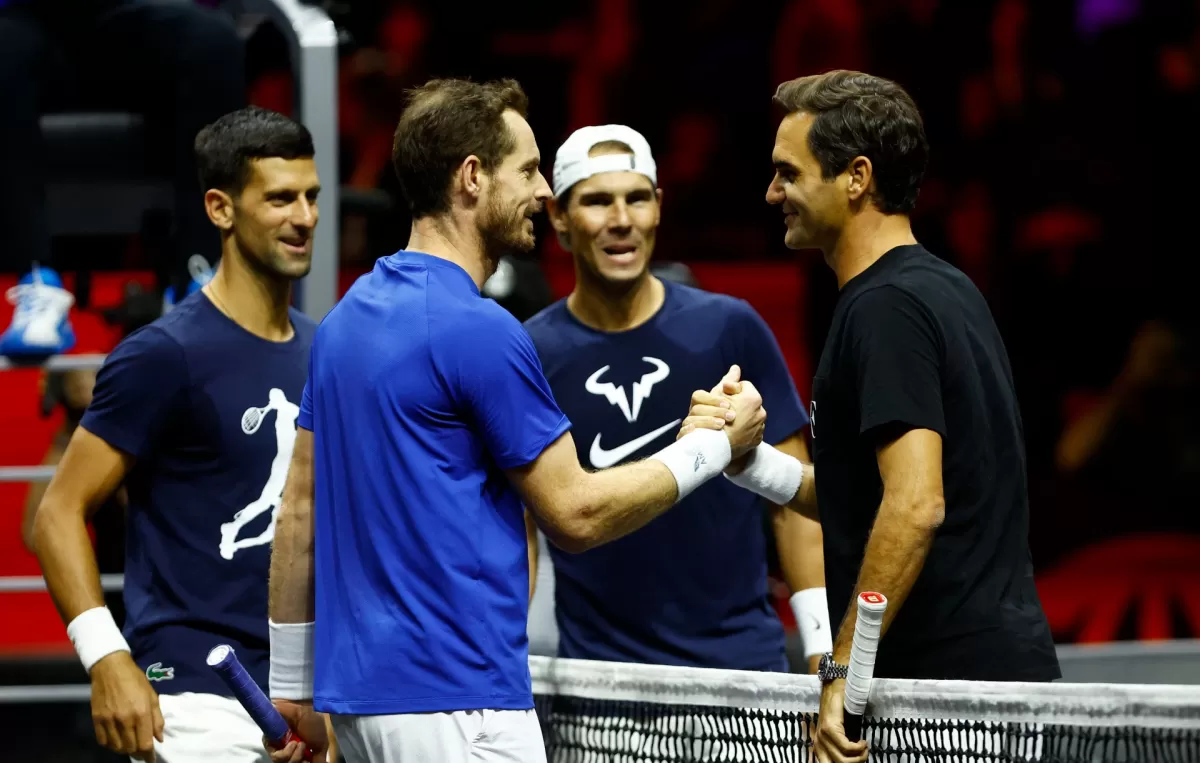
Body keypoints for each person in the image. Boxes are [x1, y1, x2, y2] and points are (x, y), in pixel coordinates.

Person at [264, 77, 767, 763]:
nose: (541, 192)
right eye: (528, 169)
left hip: (361, 704)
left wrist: (291, 685)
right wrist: (708, 449)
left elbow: (298, 509)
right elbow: (576, 513)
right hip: (460, 706)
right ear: (472, 178)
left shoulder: (345, 320)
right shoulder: (482, 330)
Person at [682, 70, 1060, 763]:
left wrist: (841, 672)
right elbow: (871, 498)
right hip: (978, 684)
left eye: (787, 173)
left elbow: (916, 505)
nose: (772, 194)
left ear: (855, 177)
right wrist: (750, 459)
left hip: (951, 699)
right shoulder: (941, 288)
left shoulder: (885, 309)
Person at [31, 106, 322, 763]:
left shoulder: (326, 350)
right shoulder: (164, 354)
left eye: (310, 196)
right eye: (279, 198)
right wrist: (107, 658)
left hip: (304, 698)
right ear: (220, 209)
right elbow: (56, 514)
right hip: (193, 696)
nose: (303, 216)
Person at [523, 124, 829, 673]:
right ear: (560, 218)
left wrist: (821, 656)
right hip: (601, 689)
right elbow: (519, 533)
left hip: (743, 678)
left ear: (658, 207)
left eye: (636, 198)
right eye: (597, 201)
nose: (621, 220)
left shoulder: (730, 327)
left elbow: (795, 504)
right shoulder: (529, 354)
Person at [0, 0, 245, 356]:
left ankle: (200, 275)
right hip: (28, 28)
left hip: (132, 23)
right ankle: (36, 285)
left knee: (213, 41)